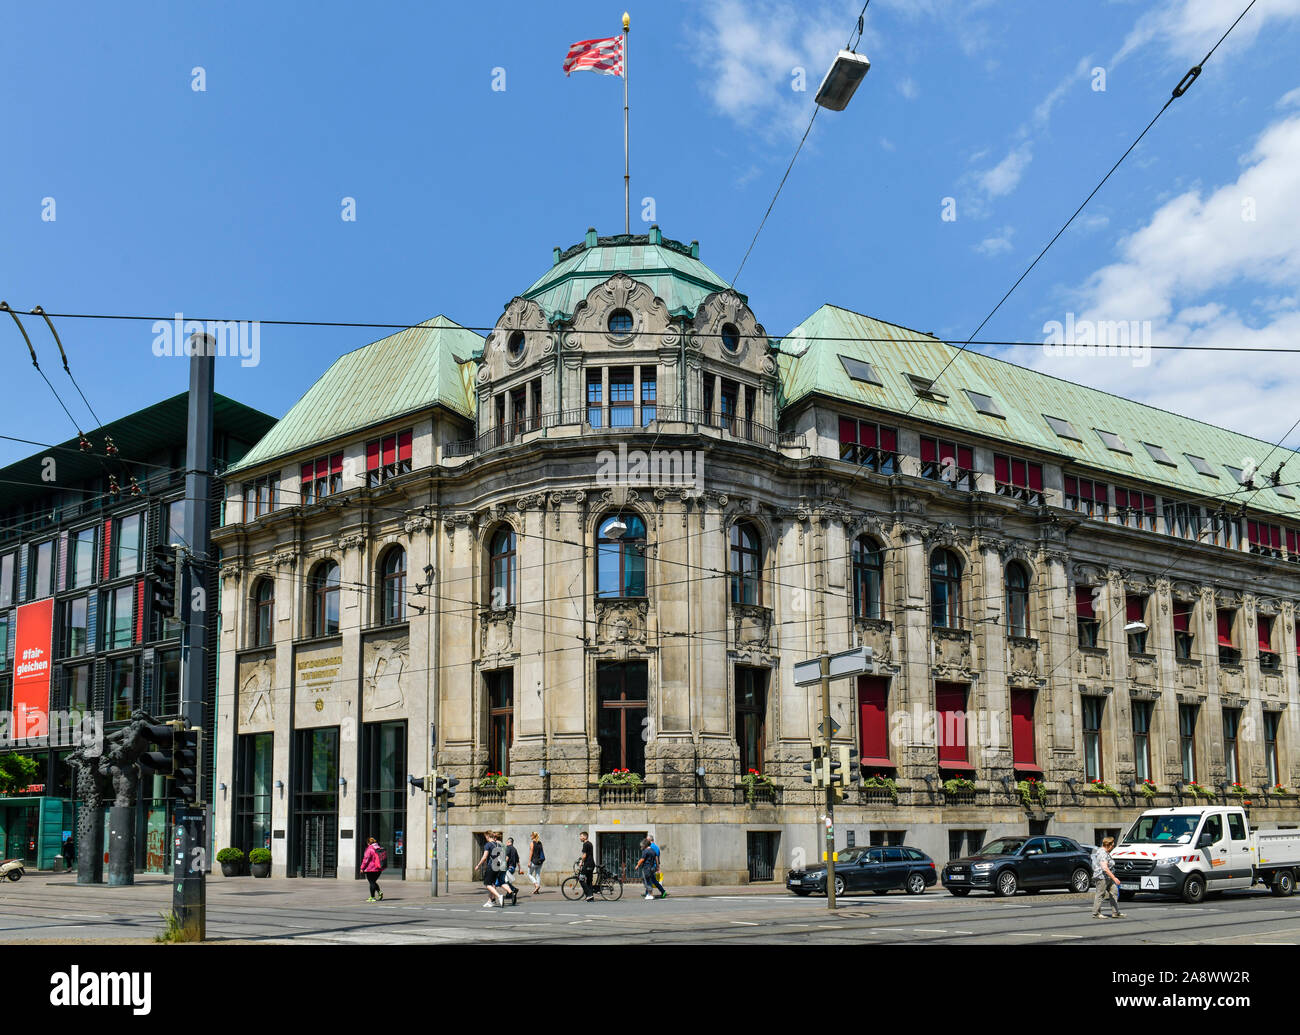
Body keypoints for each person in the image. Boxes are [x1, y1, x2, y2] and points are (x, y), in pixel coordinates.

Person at [1091, 836, 1126, 919]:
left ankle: (1115, 912)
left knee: (1114, 892)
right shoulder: (1102, 853)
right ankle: (1096, 913)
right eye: (1112, 845)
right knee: (1100, 894)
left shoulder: (1105, 852)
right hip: (1102, 877)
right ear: (1108, 845)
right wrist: (1114, 878)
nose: (1113, 847)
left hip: (1108, 877)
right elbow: (1105, 868)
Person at [476, 832, 506, 907]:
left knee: (487, 884)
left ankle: (499, 896)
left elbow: (484, 857)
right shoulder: (498, 844)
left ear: (488, 836)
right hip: (498, 865)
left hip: (491, 865)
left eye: (485, 836)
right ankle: (491, 901)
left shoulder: (488, 844)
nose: (485, 838)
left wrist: (478, 865)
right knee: (492, 884)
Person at [360, 837, 385, 902]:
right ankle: (379, 892)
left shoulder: (370, 849)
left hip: (371, 869)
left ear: (368, 843)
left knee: (371, 882)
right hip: (379, 868)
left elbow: (366, 859)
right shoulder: (379, 848)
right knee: (373, 882)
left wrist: (362, 868)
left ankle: (372, 897)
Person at [578, 831, 596, 902]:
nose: (580, 838)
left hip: (587, 864)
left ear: (585, 837)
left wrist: (581, 862)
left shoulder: (585, 844)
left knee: (581, 879)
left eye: (581, 836)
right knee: (589, 881)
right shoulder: (590, 843)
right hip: (592, 864)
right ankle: (590, 897)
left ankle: (589, 895)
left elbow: (584, 855)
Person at [503, 836, 521, 904]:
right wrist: (520, 869)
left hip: (509, 868)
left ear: (509, 842)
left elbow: (507, 857)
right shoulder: (515, 849)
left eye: (507, 842)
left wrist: (502, 866)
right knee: (507, 880)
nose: (506, 843)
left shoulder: (508, 848)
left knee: (504, 880)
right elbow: (518, 861)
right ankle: (509, 894)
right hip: (513, 868)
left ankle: (514, 889)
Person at [648, 834, 666, 898]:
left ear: (649, 840)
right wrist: (658, 867)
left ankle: (662, 891)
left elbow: (651, 857)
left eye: (647, 840)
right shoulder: (657, 847)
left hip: (651, 866)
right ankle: (649, 892)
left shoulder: (651, 847)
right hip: (655, 866)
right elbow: (658, 858)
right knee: (652, 880)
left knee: (650, 880)